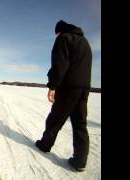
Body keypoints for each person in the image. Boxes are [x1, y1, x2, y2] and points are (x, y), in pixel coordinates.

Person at [35, 20, 92, 172]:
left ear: (60, 31)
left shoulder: (63, 38)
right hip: (84, 88)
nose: (56, 36)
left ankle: (45, 145)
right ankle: (80, 161)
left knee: (55, 118)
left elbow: (60, 65)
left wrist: (53, 85)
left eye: (56, 34)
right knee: (80, 124)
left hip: (68, 88)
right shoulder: (84, 42)